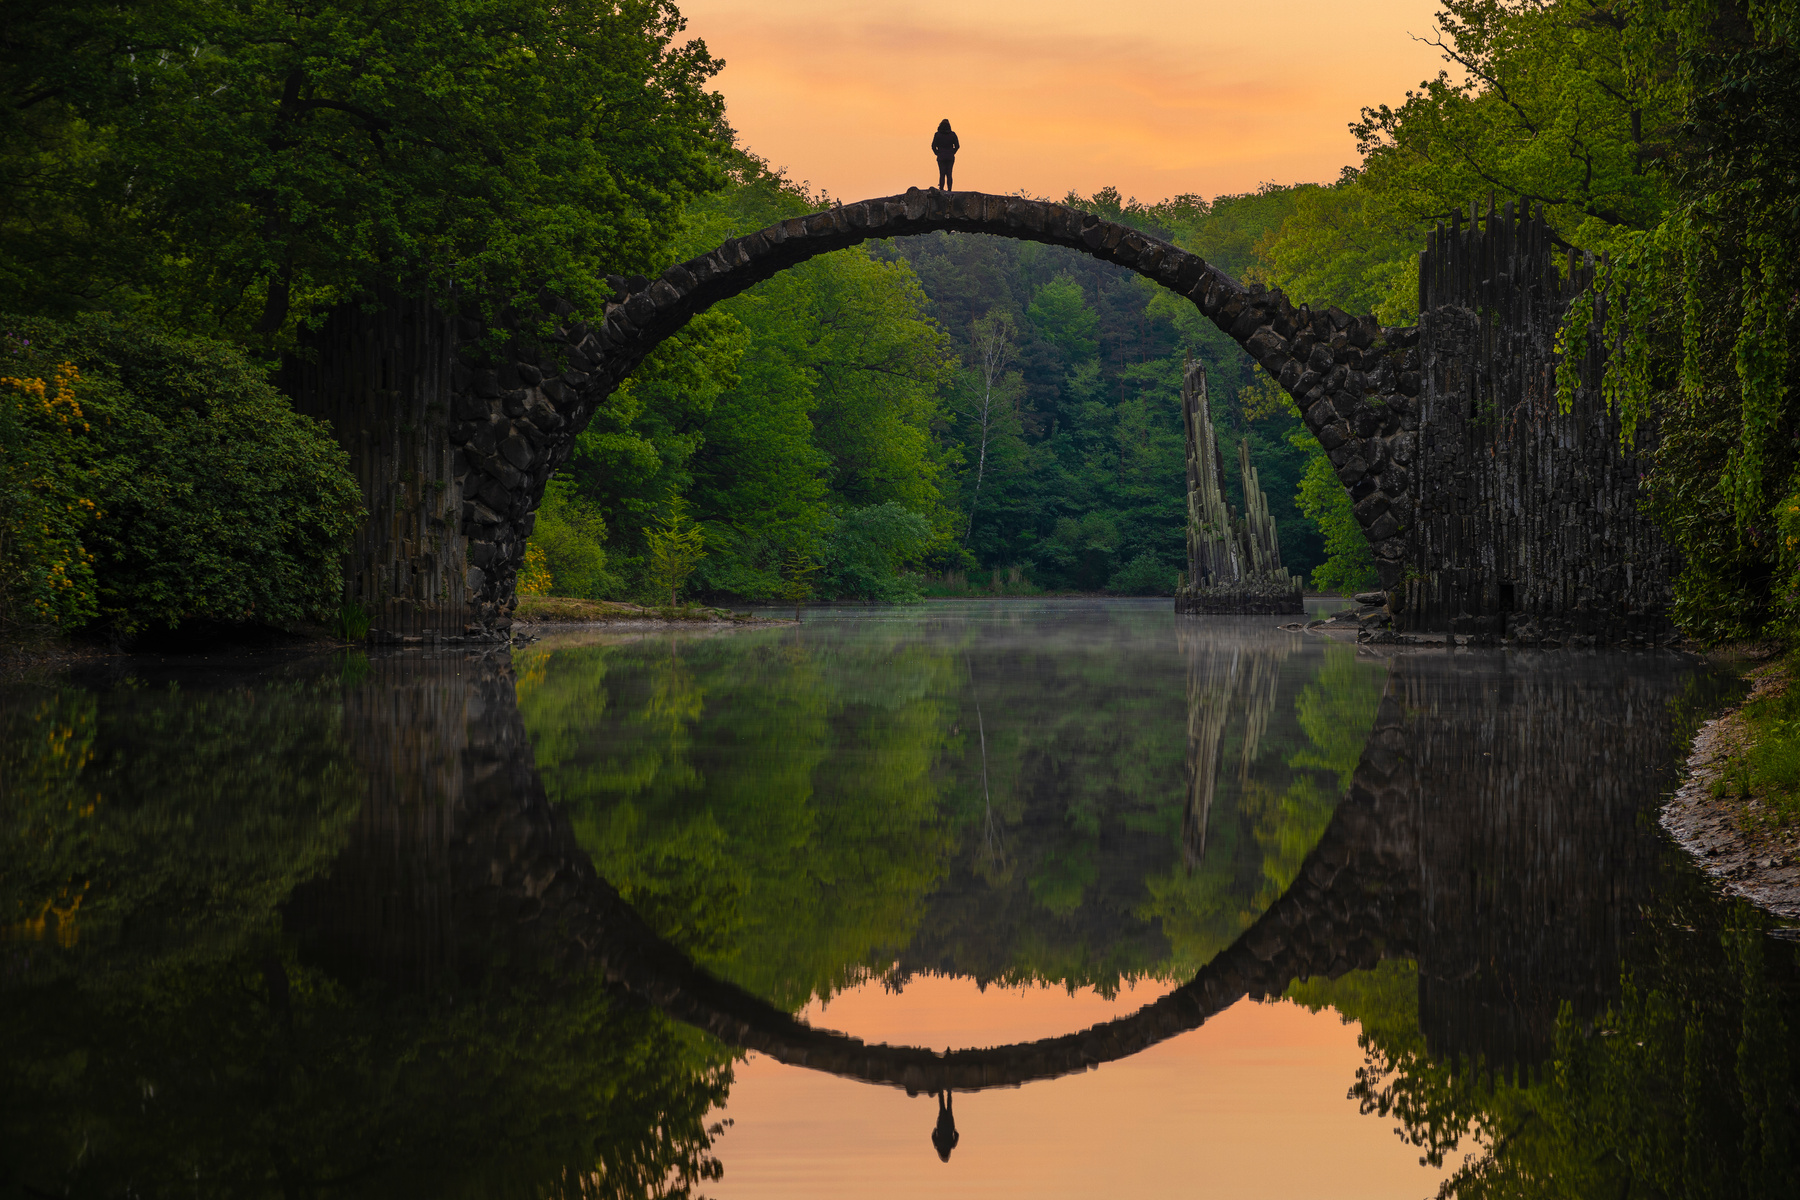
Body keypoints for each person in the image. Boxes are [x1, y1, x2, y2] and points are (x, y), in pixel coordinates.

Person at [930, 1088, 960, 1162]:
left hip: (949, 1125)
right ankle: (941, 1091)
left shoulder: (951, 1145)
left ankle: (949, 1091)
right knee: (942, 1106)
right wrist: (935, 1129)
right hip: (941, 1125)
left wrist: (954, 1130)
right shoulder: (937, 1146)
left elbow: (957, 1135)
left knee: (949, 1107)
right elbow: (933, 1136)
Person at [931, 120, 959, 191]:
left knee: (942, 173)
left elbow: (933, 146)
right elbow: (957, 146)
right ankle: (949, 189)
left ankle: (941, 189)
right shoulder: (952, 134)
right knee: (949, 173)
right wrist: (953, 152)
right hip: (950, 156)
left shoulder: (937, 134)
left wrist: (937, 153)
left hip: (941, 156)